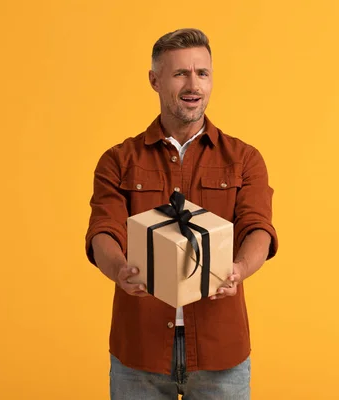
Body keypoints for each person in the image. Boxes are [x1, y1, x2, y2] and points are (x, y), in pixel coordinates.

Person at [85, 28, 278, 400]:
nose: (193, 84)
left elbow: (259, 228)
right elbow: (103, 230)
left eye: (202, 73)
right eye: (180, 74)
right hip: (138, 351)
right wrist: (119, 270)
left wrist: (239, 268)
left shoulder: (244, 158)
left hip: (220, 350)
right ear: (155, 81)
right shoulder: (118, 160)